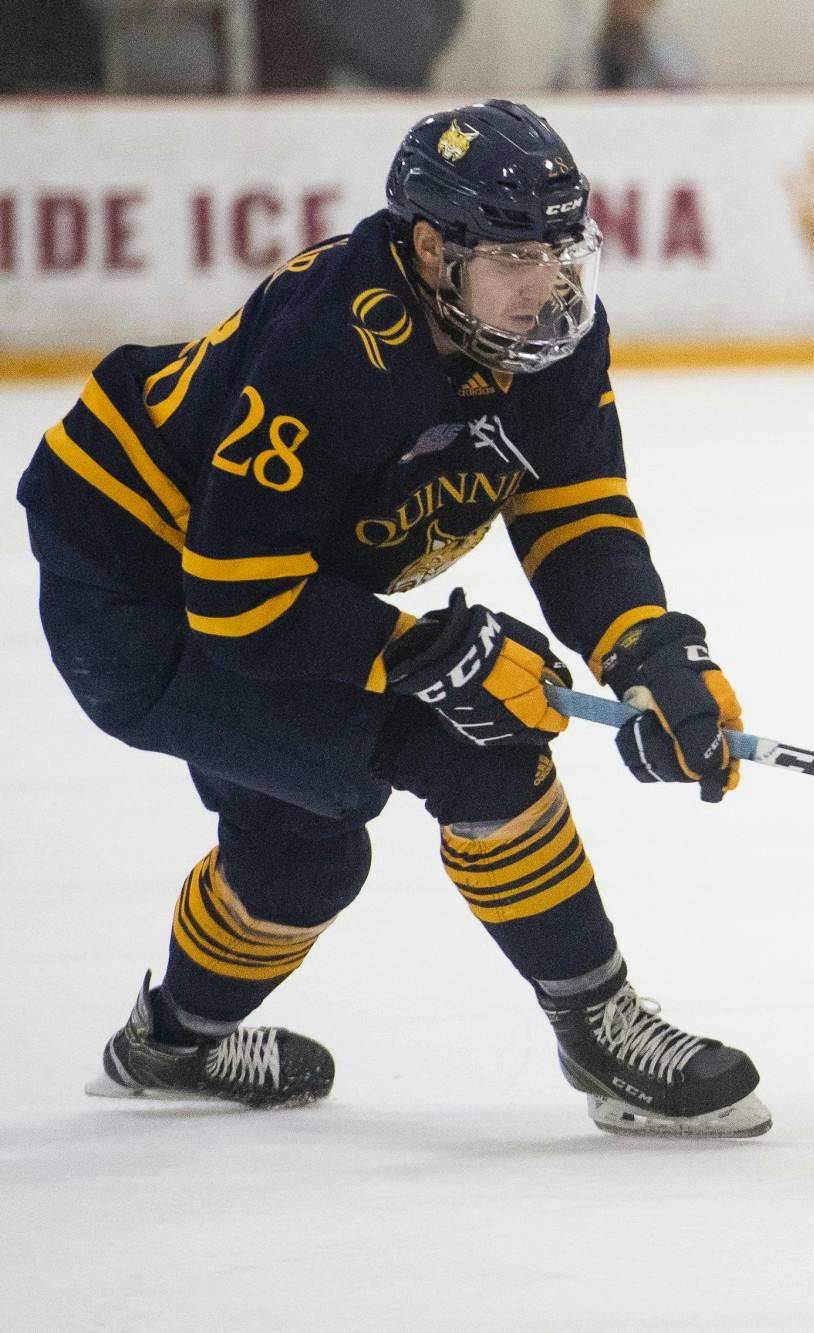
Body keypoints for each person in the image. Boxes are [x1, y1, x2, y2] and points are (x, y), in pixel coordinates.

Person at [17, 100, 769, 1139]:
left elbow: (573, 508)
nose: (546, 284)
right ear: (429, 248)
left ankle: (167, 1046)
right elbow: (239, 598)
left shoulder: (547, 334)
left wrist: (647, 647)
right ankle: (599, 1025)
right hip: (135, 595)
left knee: (305, 853)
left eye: (562, 249)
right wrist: (422, 654)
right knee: (477, 741)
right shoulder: (333, 345)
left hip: (254, 582)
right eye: (513, 255)